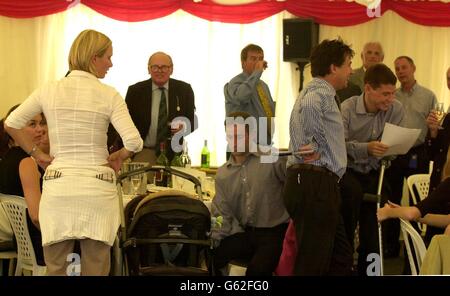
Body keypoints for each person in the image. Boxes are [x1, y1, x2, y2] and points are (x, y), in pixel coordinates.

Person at [5, 29, 143, 276]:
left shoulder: (49, 89)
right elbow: (134, 141)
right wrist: (119, 156)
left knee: (58, 266)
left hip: (60, 186)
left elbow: (12, 122)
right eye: (108, 58)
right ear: (93, 58)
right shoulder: (109, 94)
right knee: (96, 267)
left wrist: (37, 154)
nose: (111, 64)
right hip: (97, 187)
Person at [283, 38, 354, 275]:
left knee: (340, 255)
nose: (350, 71)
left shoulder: (312, 91)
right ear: (334, 67)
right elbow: (312, 108)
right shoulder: (319, 93)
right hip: (315, 182)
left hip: (315, 182)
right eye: (348, 65)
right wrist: (319, 145)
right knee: (314, 263)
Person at [339, 63, 404, 275]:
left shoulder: (396, 109)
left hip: (377, 171)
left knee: (375, 231)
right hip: (348, 172)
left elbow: (394, 146)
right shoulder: (347, 108)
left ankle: (371, 272)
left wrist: (389, 149)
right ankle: (344, 266)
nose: (390, 99)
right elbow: (339, 145)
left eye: (392, 93)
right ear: (368, 89)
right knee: (346, 222)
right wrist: (366, 148)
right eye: (385, 94)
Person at [211, 111, 289, 276]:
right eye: (230, 136)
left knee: (256, 272)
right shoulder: (223, 174)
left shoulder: (272, 158)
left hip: (275, 232)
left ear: (252, 134)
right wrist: (214, 239)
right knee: (211, 258)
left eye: (239, 136)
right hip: (247, 234)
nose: (234, 142)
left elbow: (296, 190)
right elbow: (220, 214)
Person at [384, 56, 437, 257]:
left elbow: (434, 125)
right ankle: (390, 246)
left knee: (418, 200)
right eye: (397, 68)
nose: (400, 72)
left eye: (404, 67)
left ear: (413, 68)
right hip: (395, 153)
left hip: (418, 152)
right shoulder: (391, 96)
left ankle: (414, 247)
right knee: (392, 199)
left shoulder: (428, 95)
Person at [110, 51, 196, 163]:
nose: (159, 71)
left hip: (174, 152)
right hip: (144, 151)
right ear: (149, 69)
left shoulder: (184, 90)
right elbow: (124, 123)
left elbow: (193, 121)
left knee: (178, 180)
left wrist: (184, 126)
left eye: (164, 67)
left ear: (171, 69)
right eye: (155, 67)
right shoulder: (135, 91)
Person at [0, 106, 48, 266]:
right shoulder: (26, 162)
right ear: (15, 130)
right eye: (32, 124)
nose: (40, 129)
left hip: (21, 243)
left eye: (41, 123)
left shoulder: (7, 160)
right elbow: (36, 216)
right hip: (39, 245)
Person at [224, 44, 275, 146]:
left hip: (265, 142)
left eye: (260, 59)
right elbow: (241, 97)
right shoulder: (235, 83)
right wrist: (256, 73)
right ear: (243, 63)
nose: (258, 63)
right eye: (253, 59)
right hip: (242, 146)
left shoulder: (263, 86)